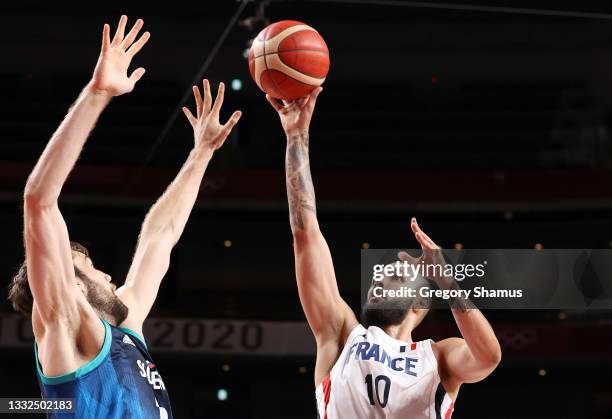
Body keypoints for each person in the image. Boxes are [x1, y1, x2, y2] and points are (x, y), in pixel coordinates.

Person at [8, 15, 241, 418]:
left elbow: (162, 234)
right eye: (91, 268)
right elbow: (39, 201)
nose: (106, 275)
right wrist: (97, 93)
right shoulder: (65, 329)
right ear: (73, 288)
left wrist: (201, 153)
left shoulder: (124, 328)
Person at [266, 88, 501, 418]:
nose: (381, 276)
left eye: (398, 274)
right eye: (381, 273)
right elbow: (305, 233)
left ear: (420, 306)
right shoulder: (341, 334)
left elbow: (488, 357)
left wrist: (448, 284)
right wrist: (296, 136)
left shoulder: (438, 359)